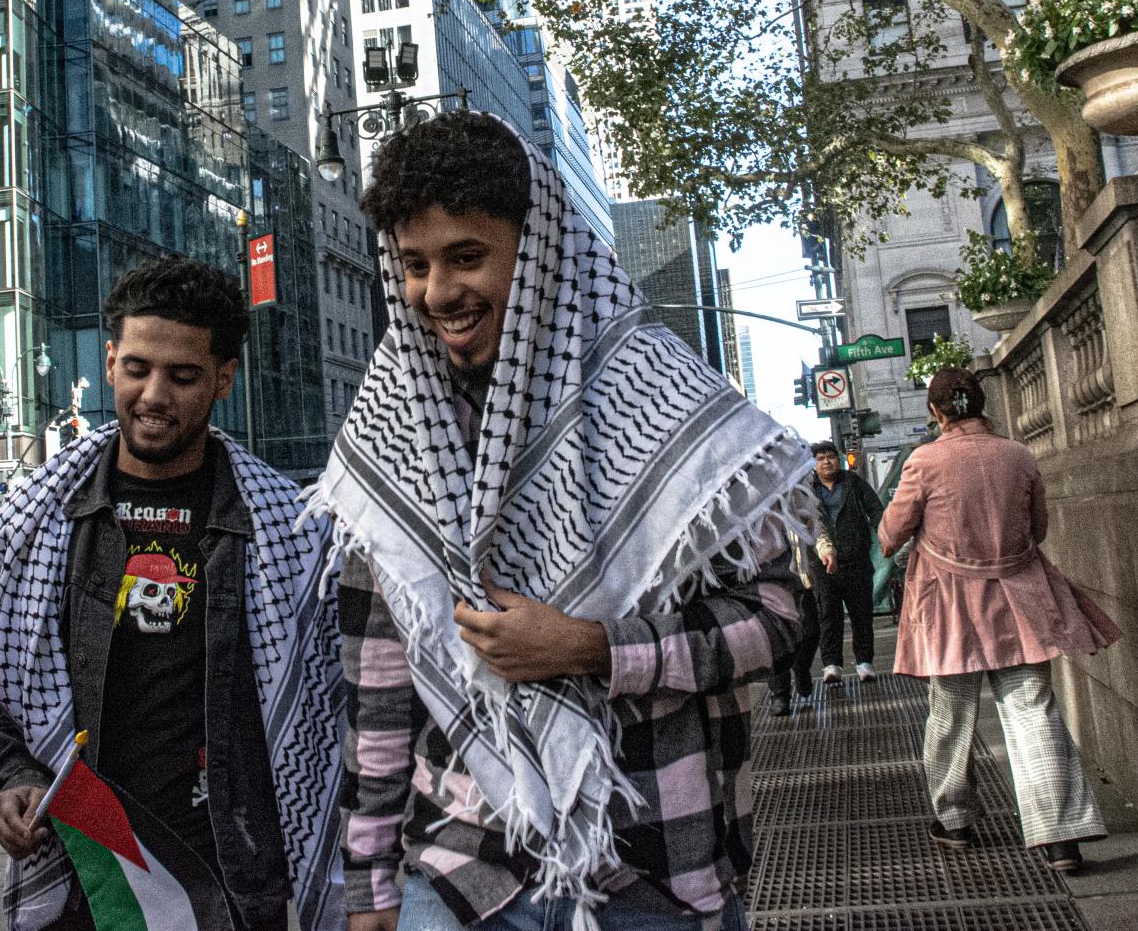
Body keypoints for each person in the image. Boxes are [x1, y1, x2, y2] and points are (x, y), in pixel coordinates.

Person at [321, 111, 810, 931]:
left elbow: (782, 616)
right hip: (459, 873)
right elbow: (378, 684)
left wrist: (589, 648)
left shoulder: (665, 403)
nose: (438, 293)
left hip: (652, 862)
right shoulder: (390, 430)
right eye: (415, 265)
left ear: (537, 249)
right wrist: (368, 885)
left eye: (467, 257)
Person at [0, 256, 345, 931]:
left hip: (227, 874)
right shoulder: (39, 516)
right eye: (137, 367)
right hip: (85, 866)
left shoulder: (287, 528)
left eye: (183, 375)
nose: (154, 394)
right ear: (109, 361)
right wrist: (15, 773)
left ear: (225, 378)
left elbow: (330, 701)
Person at [878, 367, 1121, 874]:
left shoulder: (924, 461)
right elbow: (1039, 528)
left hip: (947, 608)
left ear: (936, 411)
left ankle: (956, 822)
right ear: (981, 405)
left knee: (950, 713)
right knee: (1034, 711)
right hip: (1021, 601)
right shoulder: (1018, 454)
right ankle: (1060, 838)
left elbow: (892, 531)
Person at [806, 439, 885, 683]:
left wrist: (882, 532)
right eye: (820, 458)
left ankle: (864, 662)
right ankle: (831, 664)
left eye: (830, 456)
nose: (826, 462)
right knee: (828, 614)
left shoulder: (852, 482)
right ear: (813, 463)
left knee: (861, 613)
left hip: (856, 559)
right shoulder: (807, 489)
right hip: (822, 562)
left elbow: (875, 508)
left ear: (838, 459)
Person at [766, 484, 834, 717]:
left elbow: (817, 528)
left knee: (811, 632)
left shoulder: (797, 496)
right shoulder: (755, 504)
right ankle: (780, 694)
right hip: (769, 584)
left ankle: (802, 667)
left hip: (800, 580)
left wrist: (825, 549)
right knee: (774, 640)